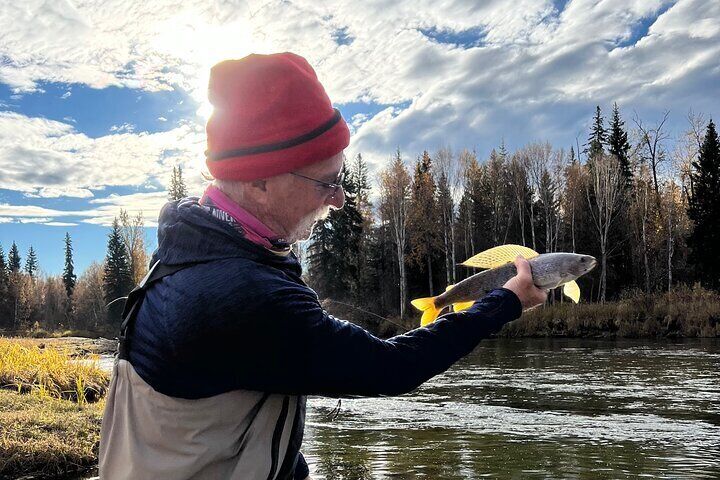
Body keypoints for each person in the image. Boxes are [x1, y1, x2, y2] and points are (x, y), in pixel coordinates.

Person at [98, 52, 547, 480]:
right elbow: (391, 368)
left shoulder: (191, 244)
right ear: (259, 182)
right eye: (327, 182)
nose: (340, 198)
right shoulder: (242, 294)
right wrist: (502, 303)